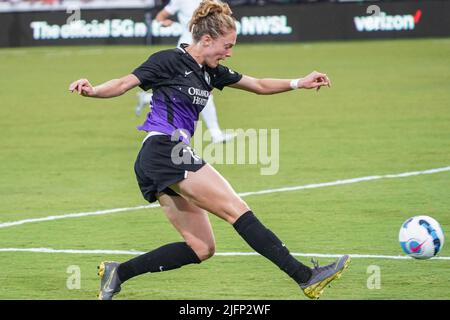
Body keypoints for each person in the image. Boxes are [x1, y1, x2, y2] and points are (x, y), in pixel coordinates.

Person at [69, 0, 350, 300]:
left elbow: (258, 84)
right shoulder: (168, 60)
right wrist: (94, 90)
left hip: (162, 157)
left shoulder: (211, 72)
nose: (229, 52)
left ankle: (118, 273)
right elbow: (125, 83)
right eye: (226, 46)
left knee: (203, 248)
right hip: (164, 148)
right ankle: (305, 277)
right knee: (236, 209)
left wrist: (299, 82)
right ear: (206, 40)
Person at [135, 0, 236, 144]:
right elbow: (161, 16)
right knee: (200, 91)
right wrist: (164, 22)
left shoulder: (213, 2)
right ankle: (215, 134)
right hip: (189, 49)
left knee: (196, 91)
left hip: (207, 49)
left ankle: (146, 98)